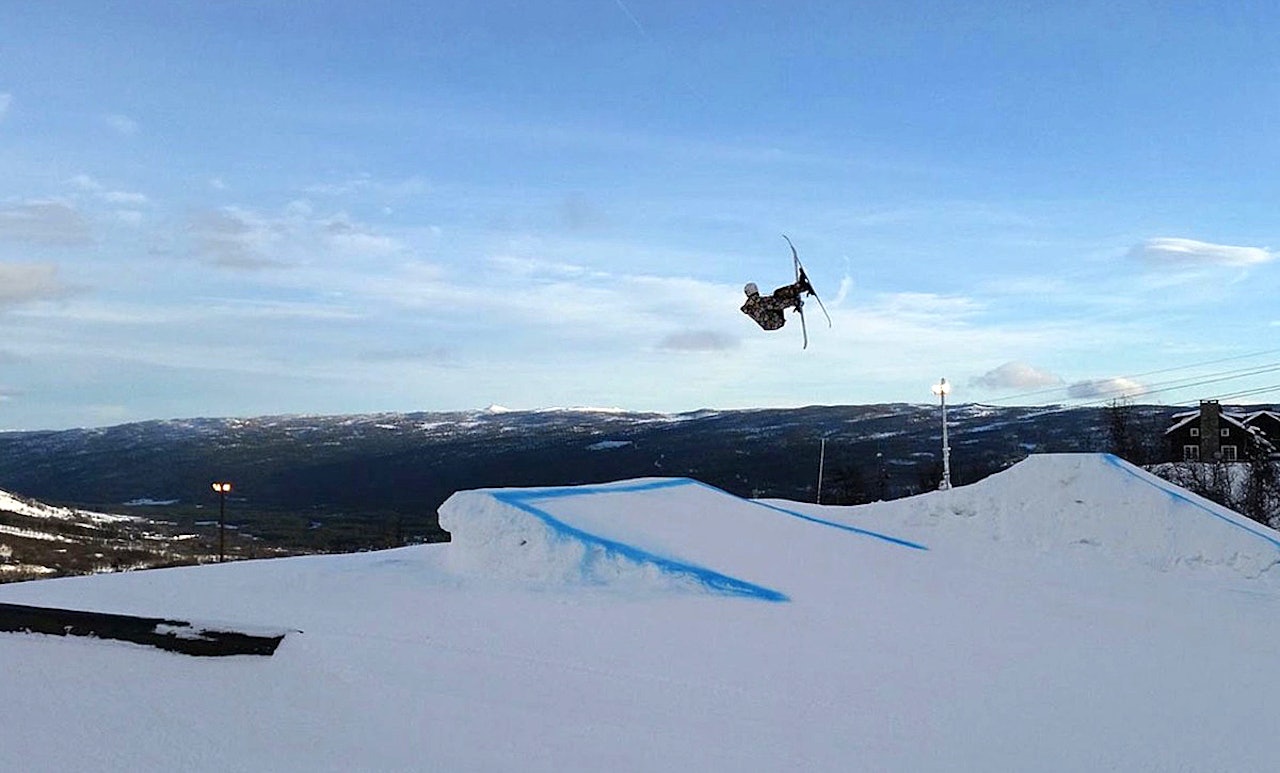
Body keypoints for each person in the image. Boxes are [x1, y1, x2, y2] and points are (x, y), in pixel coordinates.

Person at [740, 275, 813, 331]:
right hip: (775, 321)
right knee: (778, 293)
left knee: (777, 297)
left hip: (770, 323)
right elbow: (777, 304)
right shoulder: (759, 302)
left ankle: (798, 288)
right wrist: (794, 302)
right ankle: (802, 286)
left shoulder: (751, 304)